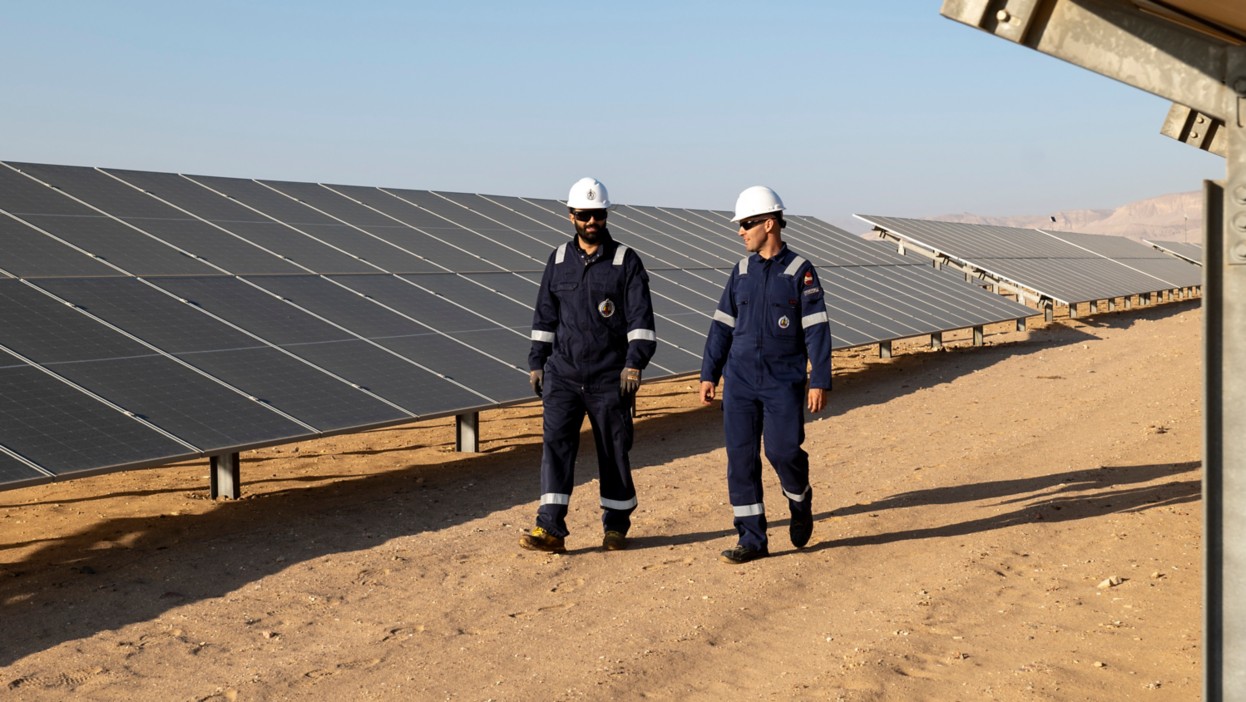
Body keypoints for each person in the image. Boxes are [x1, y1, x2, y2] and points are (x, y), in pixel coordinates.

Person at [520, 177, 657, 554]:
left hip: (609, 378)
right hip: (563, 376)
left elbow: (641, 322)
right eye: (584, 215)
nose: (591, 221)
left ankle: (615, 526)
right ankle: (549, 527)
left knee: (613, 451)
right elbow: (544, 317)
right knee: (555, 447)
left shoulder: (625, 261)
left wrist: (634, 364)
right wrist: (537, 363)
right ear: (571, 216)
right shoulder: (558, 260)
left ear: (606, 214)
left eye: (597, 215)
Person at [699, 186, 832, 564]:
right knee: (741, 459)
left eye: (746, 224)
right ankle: (752, 539)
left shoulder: (800, 272)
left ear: (768, 224)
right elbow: (722, 326)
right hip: (739, 381)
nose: (740, 231)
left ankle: (799, 499)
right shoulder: (740, 272)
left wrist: (820, 378)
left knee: (782, 450)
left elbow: (817, 329)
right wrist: (709, 372)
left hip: (782, 381)